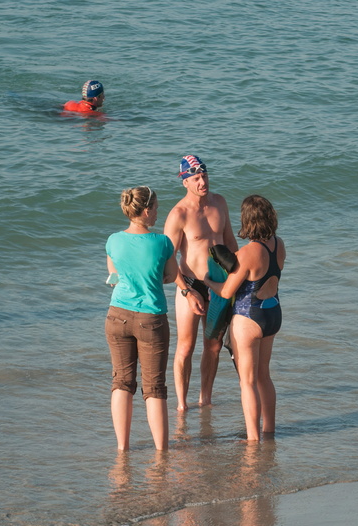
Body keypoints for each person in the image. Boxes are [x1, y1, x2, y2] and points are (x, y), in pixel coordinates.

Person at [204, 195, 285, 441]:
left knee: (247, 381)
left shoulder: (248, 253)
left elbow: (227, 291)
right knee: (264, 376)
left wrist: (208, 282)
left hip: (249, 316)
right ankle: (268, 430)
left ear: (247, 221)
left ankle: (252, 438)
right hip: (272, 312)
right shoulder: (279, 244)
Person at [105, 186, 178, 451]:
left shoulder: (113, 240)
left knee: (122, 382)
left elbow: (113, 274)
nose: (158, 213)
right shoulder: (162, 243)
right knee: (155, 387)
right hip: (151, 319)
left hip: (117, 316)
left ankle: (122, 448)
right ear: (146, 211)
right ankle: (161, 451)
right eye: (157, 208)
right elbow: (171, 275)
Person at [164, 155, 238, 412]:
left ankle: (205, 399)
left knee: (214, 345)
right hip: (190, 283)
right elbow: (167, 260)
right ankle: (182, 406)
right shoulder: (179, 214)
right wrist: (185, 291)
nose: (202, 182)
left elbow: (230, 243)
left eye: (204, 175)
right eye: (195, 178)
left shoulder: (219, 203)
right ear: (184, 182)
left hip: (219, 282)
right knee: (185, 347)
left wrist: (237, 278)